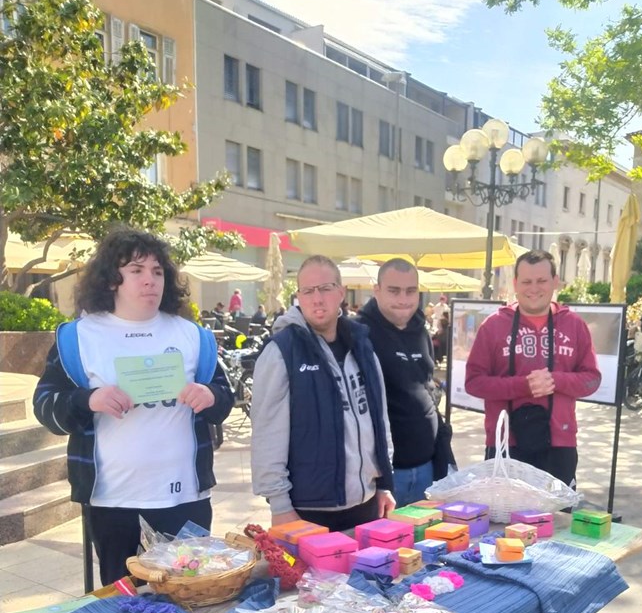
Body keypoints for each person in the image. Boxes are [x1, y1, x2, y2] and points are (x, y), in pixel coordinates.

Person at [33, 228, 233, 585]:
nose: (150, 281)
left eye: (157, 272)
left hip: (184, 495)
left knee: (191, 593)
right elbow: (45, 406)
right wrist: (87, 399)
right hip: (112, 500)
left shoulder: (192, 336)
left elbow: (225, 397)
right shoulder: (78, 337)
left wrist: (211, 397)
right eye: (137, 270)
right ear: (112, 280)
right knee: (120, 598)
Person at [251, 255, 395, 529]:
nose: (317, 298)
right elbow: (267, 435)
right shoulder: (281, 351)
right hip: (307, 510)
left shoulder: (362, 346)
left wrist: (383, 483)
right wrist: (280, 505)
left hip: (365, 504)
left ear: (341, 293)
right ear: (299, 297)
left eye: (326, 288)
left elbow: (378, 420)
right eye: (308, 291)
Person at [464, 249, 601, 487]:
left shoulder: (574, 325)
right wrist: (523, 385)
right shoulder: (493, 326)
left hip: (560, 443)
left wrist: (555, 381)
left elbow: (592, 379)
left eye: (542, 281)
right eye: (526, 281)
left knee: (557, 521)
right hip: (505, 442)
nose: (534, 288)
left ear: (555, 282)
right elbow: (473, 382)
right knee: (504, 520)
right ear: (515, 284)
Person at [357, 258, 440, 506]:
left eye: (410, 291)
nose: (403, 298)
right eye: (394, 290)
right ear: (377, 291)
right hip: (384, 478)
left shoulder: (421, 332)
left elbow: (427, 383)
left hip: (426, 468)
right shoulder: (359, 334)